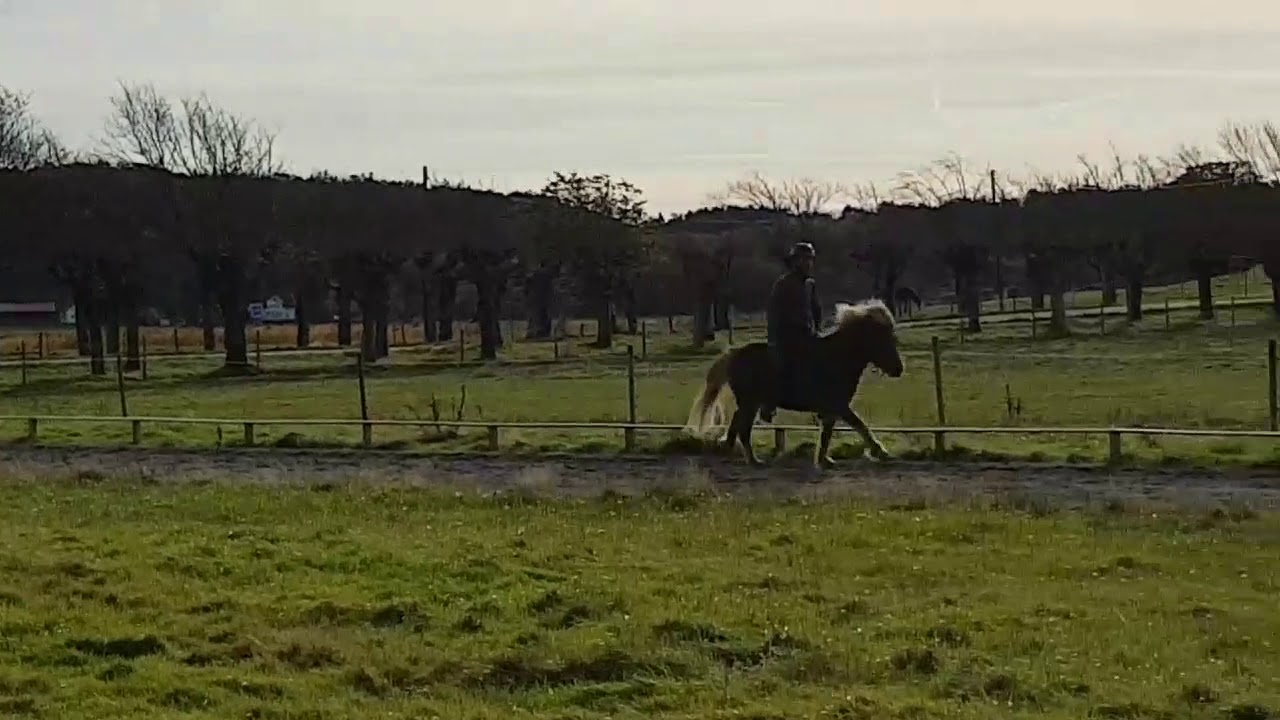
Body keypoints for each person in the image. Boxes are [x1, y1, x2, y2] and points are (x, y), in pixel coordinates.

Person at [760, 241, 822, 422]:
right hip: (787, 337)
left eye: (810, 260)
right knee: (783, 367)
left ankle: (824, 401)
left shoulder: (810, 285)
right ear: (794, 262)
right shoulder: (783, 284)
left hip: (808, 335)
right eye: (803, 260)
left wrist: (817, 328)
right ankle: (768, 403)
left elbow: (816, 309)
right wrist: (773, 340)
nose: (807, 263)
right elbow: (774, 312)